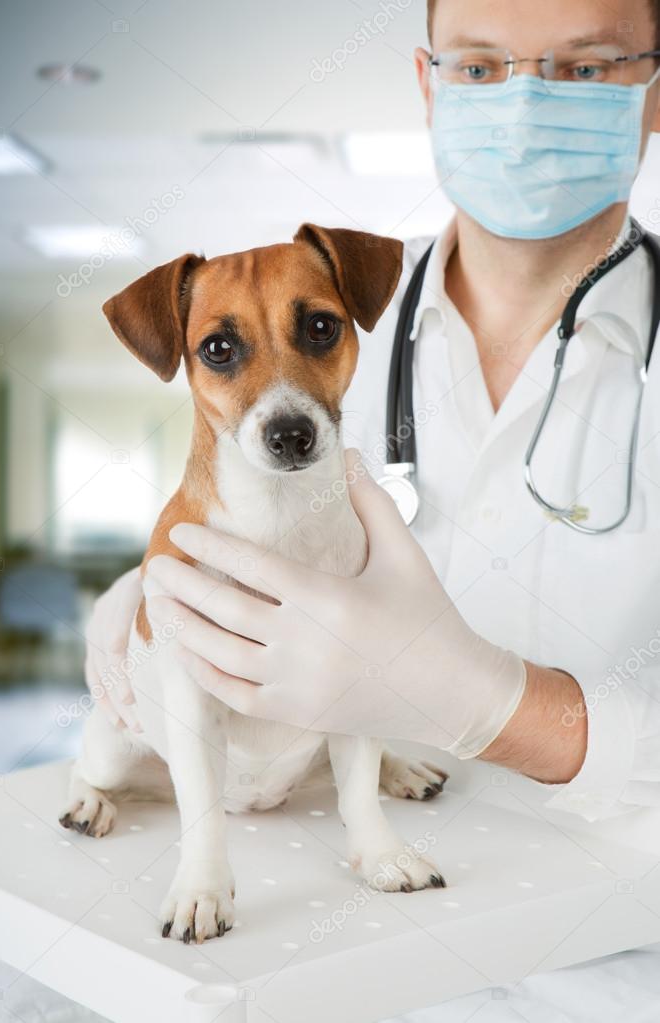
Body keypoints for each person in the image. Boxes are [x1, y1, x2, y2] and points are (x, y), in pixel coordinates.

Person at [85, 0, 660, 1018]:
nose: (523, 111)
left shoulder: (334, 288)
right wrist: (140, 614)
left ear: (653, 94)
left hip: (614, 962)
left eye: (583, 69)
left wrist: (500, 708)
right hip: (323, 956)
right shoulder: (348, 307)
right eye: (481, 68)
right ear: (427, 80)